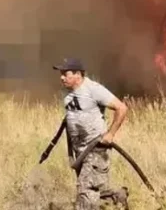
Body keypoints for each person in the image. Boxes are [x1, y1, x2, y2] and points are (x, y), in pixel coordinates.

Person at [54, 58, 130, 210]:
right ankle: (118, 197)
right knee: (98, 190)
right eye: (60, 74)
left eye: (65, 73)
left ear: (77, 74)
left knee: (85, 193)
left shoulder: (93, 89)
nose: (61, 77)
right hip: (80, 152)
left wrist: (110, 134)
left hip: (96, 149)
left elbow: (122, 108)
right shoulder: (69, 95)